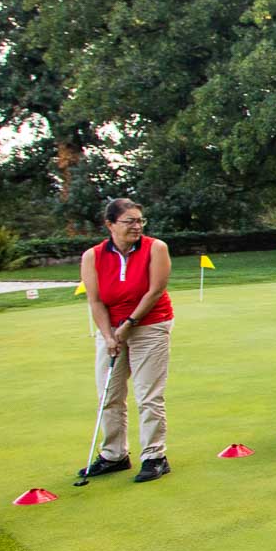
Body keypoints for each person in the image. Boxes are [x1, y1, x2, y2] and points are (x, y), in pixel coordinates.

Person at [77, 198, 175, 483]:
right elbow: (95, 301)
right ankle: (114, 455)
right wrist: (108, 335)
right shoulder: (92, 257)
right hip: (111, 329)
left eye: (139, 220)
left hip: (151, 325)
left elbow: (155, 291)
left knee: (148, 395)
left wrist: (129, 325)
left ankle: (155, 456)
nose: (136, 226)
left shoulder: (155, 248)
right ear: (110, 225)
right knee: (109, 394)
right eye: (129, 221)